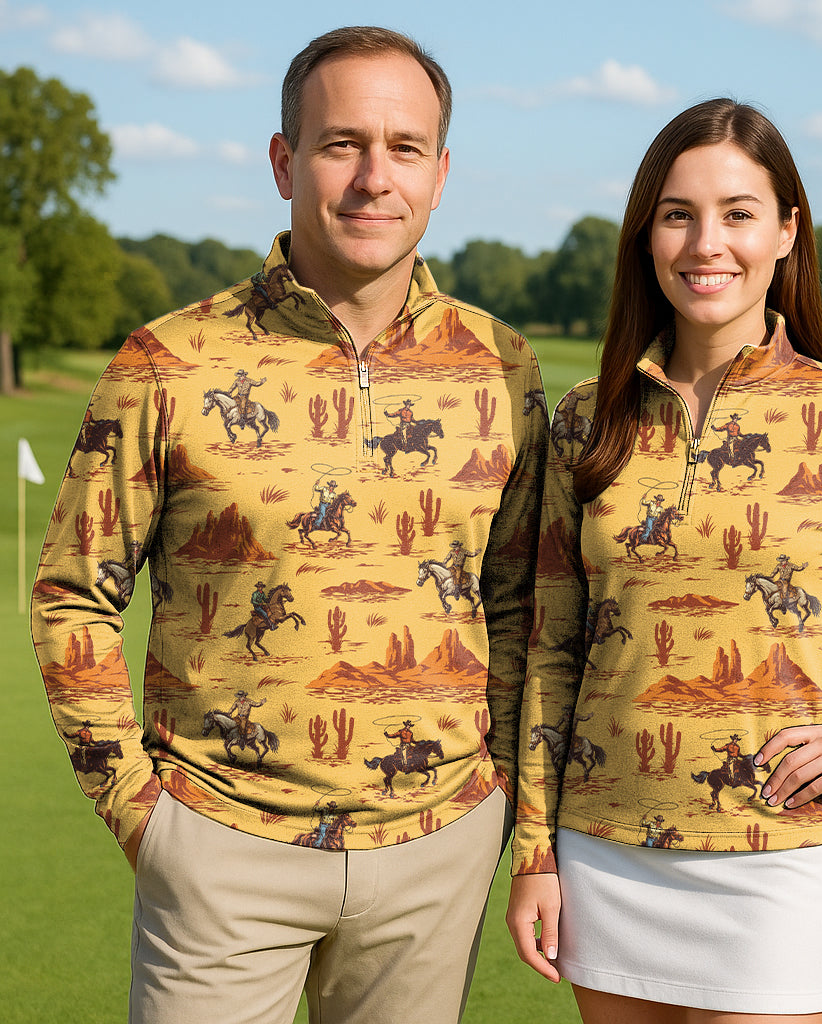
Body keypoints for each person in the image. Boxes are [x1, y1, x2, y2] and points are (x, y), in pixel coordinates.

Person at [32, 26, 547, 1024]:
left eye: (403, 149)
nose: (371, 178)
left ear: (440, 175)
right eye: (340, 143)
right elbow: (72, 594)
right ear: (284, 161)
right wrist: (141, 814)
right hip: (218, 848)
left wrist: (500, 806)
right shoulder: (166, 362)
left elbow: (526, 605)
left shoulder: (504, 365)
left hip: (434, 853)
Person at [506, 98, 822, 1023]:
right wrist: (536, 850)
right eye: (678, 214)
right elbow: (552, 648)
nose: (708, 243)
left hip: (777, 857)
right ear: (646, 235)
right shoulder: (585, 418)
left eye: (739, 214)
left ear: (786, 232)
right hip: (604, 847)